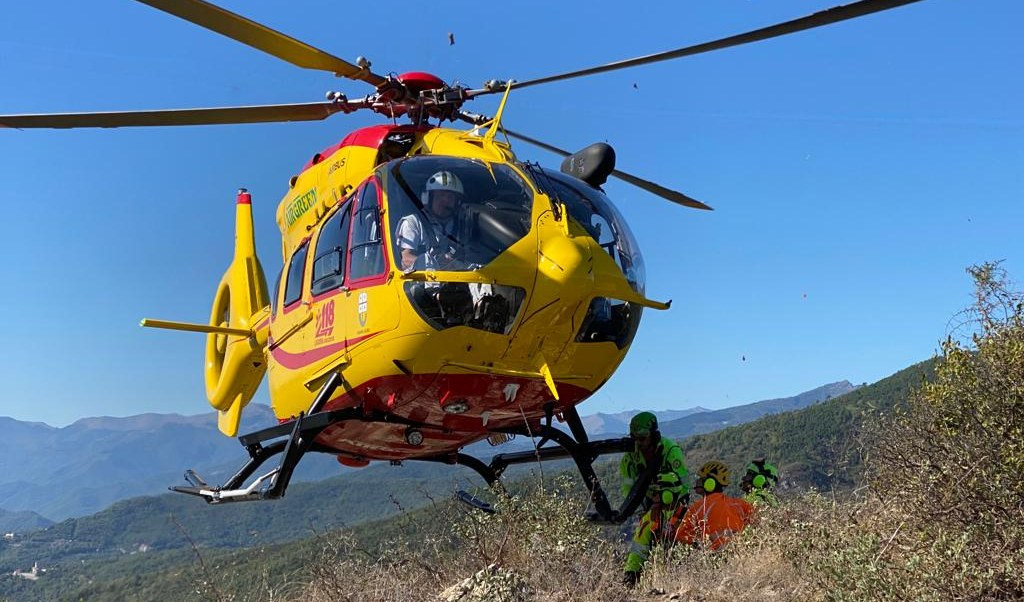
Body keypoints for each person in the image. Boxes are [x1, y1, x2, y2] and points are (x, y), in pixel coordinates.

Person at [620, 411, 689, 587]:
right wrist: (641, 510)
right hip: (648, 503)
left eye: (642, 438)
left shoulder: (671, 451)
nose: (638, 443)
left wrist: (672, 504)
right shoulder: (630, 457)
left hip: (674, 500)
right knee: (642, 534)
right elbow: (628, 490)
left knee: (676, 536)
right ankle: (630, 578)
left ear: (654, 435)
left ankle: (680, 575)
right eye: (634, 438)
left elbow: (683, 484)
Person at [673, 460, 755, 551]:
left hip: (713, 556)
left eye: (701, 478)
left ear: (710, 482)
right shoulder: (740, 504)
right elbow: (757, 522)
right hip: (739, 553)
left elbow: (681, 537)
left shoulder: (698, 507)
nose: (697, 481)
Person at [394, 169, 463, 271]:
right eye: (440, 196)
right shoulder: (413, 223)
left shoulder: (458, 227)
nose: (445, 201)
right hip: (417, 284)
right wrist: (434, 265)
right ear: (427, 198)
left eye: (450, 197)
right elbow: (405, 260)